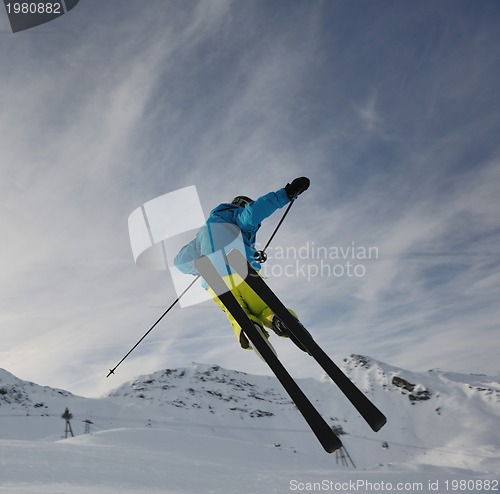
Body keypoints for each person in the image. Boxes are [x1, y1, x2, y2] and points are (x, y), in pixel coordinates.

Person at [174, 177, 310, 352]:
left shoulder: (200, 237)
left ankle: (248, 330)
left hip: (213, 279)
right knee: (264, 306)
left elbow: (180, 262)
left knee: (236, 313)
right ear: (242, 204)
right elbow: (253, 213)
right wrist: (287, 193)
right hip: (240, 268)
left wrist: (201, 266)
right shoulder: (236, 215)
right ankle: (279, 320)